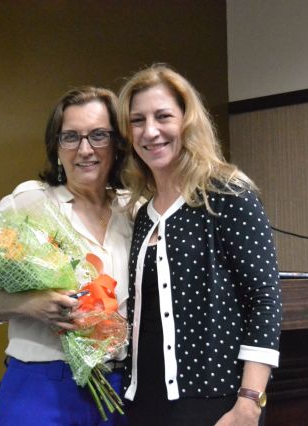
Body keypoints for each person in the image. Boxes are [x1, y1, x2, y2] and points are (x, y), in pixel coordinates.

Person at [117, 64, 282, 426]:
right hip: (144, 402)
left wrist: (249, 403)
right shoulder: (142, 213)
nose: (150, 131)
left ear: (187, 121)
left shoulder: (227, 194)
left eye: (163, 116)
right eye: (137, 121)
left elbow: (264, 300)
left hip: (216, 404)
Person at [0, 87, 132, 426]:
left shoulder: (135, 210)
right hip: (40, 388)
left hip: (120, 389)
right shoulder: (29, 204)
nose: (84, 149)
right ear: (56, 147)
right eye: (70, 137)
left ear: (117, 144)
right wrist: (30, 305)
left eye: (98, 135)